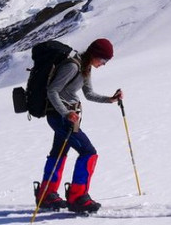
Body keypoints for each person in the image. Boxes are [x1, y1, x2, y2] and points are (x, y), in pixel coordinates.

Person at [34, 38, 123, 213]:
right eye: (104, 60)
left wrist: (110, 99)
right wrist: (66, 113)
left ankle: (46, 195)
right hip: (61, 117)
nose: (104, 64)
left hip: (67, 116)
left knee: (58, 154)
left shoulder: (85, 67)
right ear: (95, 54)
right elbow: (52, 91)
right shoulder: (73, 66)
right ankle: (78, 197)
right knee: (88, 152)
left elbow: (88, 94)